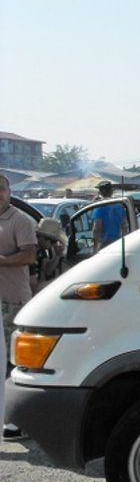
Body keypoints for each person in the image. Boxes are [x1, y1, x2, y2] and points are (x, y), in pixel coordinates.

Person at [0, 173, 36, 442]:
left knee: (14, 363)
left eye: (1, 189)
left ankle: (18, 421)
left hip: (11, 301)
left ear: (9, 191)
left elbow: (29, 255)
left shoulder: (19, 220)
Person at [90, 181, 126, 252]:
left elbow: (97, 228)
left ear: (100, 193)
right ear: (111, 192)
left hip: (105, 244)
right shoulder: (119, 206)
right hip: (117, 243)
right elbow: (124, 226)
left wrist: (95, 246)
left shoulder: (99, 206)